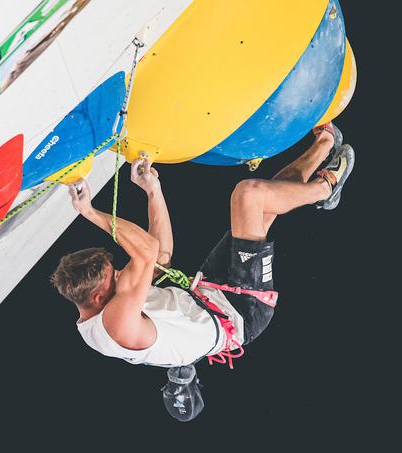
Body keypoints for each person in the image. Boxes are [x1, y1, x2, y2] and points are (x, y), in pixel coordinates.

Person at [50, 123, 354, 420]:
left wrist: (153, 190)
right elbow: (146, 251)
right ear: (99, 294)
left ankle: (324, 145)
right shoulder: (115, 325)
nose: (120, 273)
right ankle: (325, 189)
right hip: (241, 311)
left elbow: (161, 257)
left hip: (209, 293)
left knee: (263, 204)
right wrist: (89, 212)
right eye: (114, 275)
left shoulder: (106, 299)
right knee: (249, 195)